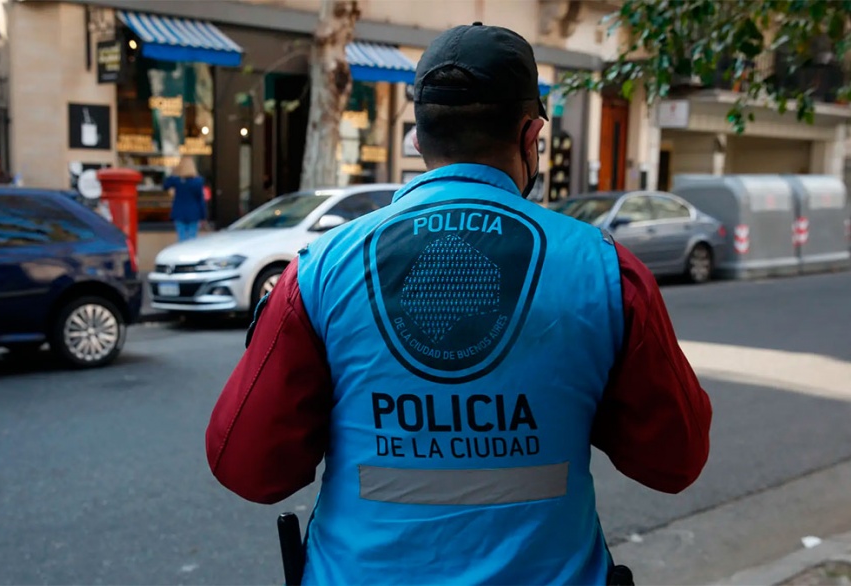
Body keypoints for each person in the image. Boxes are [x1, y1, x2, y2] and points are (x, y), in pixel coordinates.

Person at [206, 22, 712, 585]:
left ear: (419, 139)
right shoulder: (608, 272)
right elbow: (674, 460)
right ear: (530, 134)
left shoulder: (321, 269)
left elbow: (248, 467)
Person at [164, 156, 207, 242]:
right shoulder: (198, 182)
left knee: (181, 238)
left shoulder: (177, 181)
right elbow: (200, 200)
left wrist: (173, 172)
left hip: (179, 213)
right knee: (192, 239)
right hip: (194, 213)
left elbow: (165, 186)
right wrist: (203, 216)